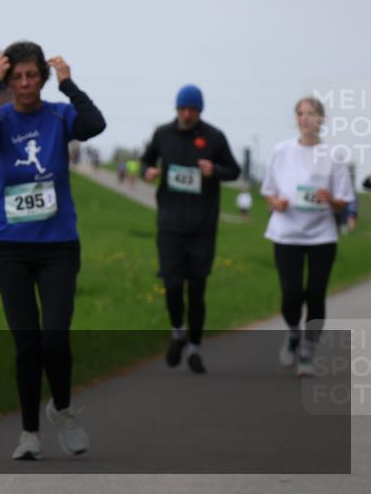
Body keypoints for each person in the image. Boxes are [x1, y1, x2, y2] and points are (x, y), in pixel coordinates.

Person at [0, 42, 106, 460]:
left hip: (58, 246)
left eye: (33, 76)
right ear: (8, 81)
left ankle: (63, 410)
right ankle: (29, 433)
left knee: (55, 339)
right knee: (28, 344)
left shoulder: (59, 115)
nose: (26, 84)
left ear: (42, 79)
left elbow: (94, 125)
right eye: (17, 77)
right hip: (8, 245)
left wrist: (69, 84)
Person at [140, 85, 240, 374]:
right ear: (176, 109)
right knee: (172, 284)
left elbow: (234, 170)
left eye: (191, 110)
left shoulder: (214, 137)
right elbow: (145, 160)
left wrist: (215, 171)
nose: (186, 114)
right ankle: (177, 332)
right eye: (182, 109)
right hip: (170, 224)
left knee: (197, 289)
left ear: (199, 110)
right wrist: (147, 171)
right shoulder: (163, 135)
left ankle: (195, 348)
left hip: (202, 226)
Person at [260, 97, 355, 377]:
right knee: (291, 294)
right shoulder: (281, 151)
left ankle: (308, 351)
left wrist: (331, 200)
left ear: (321, 119)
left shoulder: (334, 155)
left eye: (311, 114)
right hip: (286, 232)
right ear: (296, 119)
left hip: (321, 236)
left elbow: (344, 201)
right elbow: (269, 192)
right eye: (300, 114)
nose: (305, 119)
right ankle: (292, 333)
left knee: (315, 294)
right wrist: (274, 203)